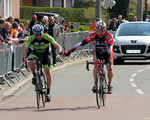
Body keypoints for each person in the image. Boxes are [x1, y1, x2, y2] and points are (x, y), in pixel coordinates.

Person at [62, 20, 114, 94]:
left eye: (102, 31)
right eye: (98, 31)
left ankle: (109, 84)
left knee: (109, 67)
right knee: (96, 66)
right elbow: (80, 44)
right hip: (97, 52)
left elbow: (110, 49)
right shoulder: (93, 35)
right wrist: (68, 52)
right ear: (95, 30)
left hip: (107, 53)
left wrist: (109, 59)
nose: (100, 33)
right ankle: (95, 84)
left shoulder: (109, 36)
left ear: (105, 30)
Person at [23, 24, 62, 102]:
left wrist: (60, 52)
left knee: (49, 73)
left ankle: (48, 93)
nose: (38, 36)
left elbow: (57, 46)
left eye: (40, 34)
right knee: (31, 61)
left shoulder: (47, 37)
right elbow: (25, 49)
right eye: (36, 34)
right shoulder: (31, 38)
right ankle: (34, 76)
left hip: (46, 55)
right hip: (36, 54)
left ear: (43, 32)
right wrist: (25, 57)